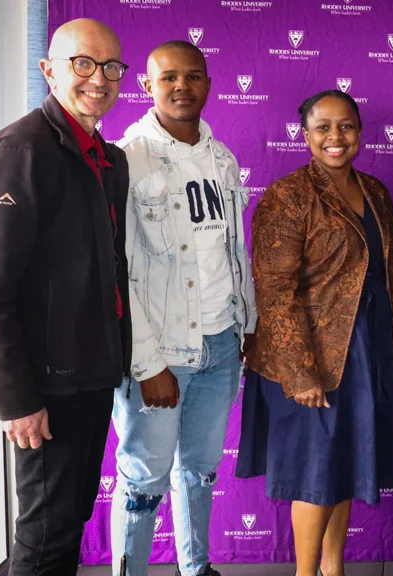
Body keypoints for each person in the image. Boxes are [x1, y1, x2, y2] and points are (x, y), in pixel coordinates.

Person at [235, 89, 393, 576]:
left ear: (359, 130)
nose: (336, 137)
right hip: (311, 354)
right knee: (315, 472)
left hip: (367, 347)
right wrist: (299, 370)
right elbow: (274, 292)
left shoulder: (374, 192)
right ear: (305, 134)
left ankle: (334, 570)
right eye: (324, 127)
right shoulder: (288, 196)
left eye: (346, 125)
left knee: (344, 466)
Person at [110, 40, 257, 576]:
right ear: (146, 86)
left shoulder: (222, 158)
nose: (181, 86)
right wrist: (147, 364)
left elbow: (232, 252)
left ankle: (196, 569)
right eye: (168, 77)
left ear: (208, 86)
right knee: (144, 480)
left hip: (222, 344)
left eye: (193, 77)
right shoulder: (125, 158)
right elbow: (119, 274)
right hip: (161, 354)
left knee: (198, 470)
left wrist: (249, 323)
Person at [0, 18, 132, 576]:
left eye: (111, 67)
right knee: (44, 538)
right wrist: (18, 399)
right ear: (49, 70)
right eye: (83, 64)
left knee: (66, 524)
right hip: (45, 388)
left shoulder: (108, 158)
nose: (99, 78)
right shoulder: (22, 150)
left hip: (93, 375)